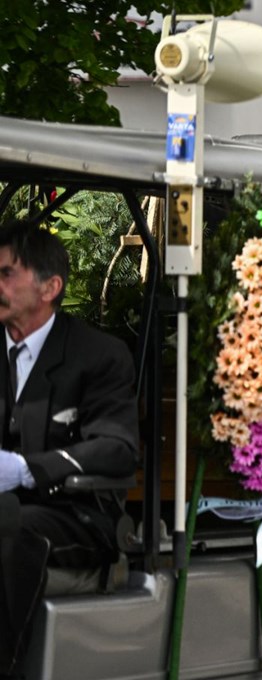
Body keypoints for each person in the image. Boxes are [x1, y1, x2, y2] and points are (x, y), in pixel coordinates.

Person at [0, 220, 139, 674]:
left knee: (7, 521)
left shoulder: (96, 354)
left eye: (5, 274)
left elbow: (118, 447)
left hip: (73, 512)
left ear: (50, 287)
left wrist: (26, 469)